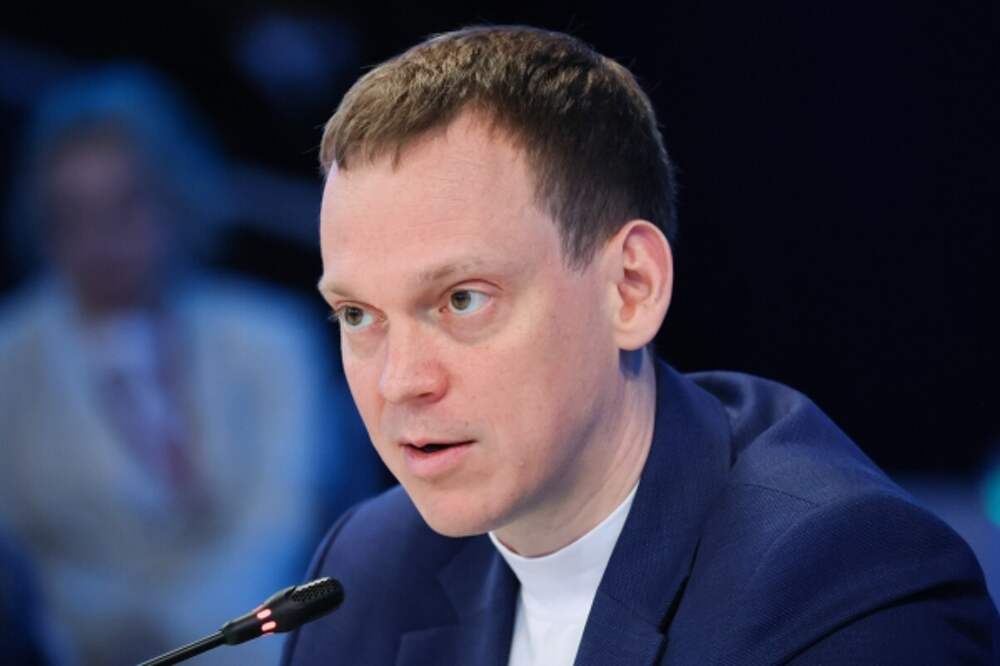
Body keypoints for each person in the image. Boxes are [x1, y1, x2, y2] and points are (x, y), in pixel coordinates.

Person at [283, 26, 999, 665]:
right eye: (357, 315)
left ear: (631, 288)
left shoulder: (841, 582)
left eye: (463, 300)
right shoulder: (370, 570)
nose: (399, 381)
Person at [0, 66, 380, 665]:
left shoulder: (272, 339)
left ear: (176, 199)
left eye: (125, 206)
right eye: (74, 215)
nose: (101, 240)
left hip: (255, 644)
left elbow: (282, 521)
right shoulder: (11, 359)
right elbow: (23, 553)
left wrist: (194, 640)